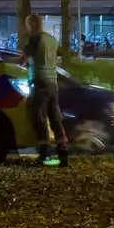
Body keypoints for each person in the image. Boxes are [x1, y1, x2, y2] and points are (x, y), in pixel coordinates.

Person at [19, 14, 68, 167]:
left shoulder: (35, 39)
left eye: (28, 24)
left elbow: (23, 60)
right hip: (53, 82)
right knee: (55, 117)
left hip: (40, 82)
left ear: (32, 25)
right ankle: (63, 153)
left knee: (38, 117)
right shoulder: (52, 39)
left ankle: (45, 154)